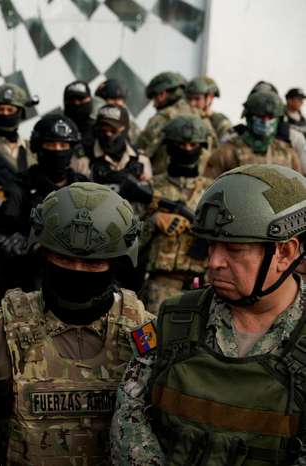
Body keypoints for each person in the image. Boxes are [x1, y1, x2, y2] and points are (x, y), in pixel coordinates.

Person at [112, 164, 306, 465]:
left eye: (233, 248)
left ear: (284, 253)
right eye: (211, 245)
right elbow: (130, 414)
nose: (214, 261)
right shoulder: (173, 320)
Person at [0, 182, 153, 465]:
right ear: (44, 254)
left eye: (93, 264)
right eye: (64, 258)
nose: (77, 271)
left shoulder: (143, 333)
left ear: (115, 262)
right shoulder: (1, 330)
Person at [0, 114, 87, 296]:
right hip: (29, 291)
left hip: (80, 286)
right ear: (37, 148)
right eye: (51, 145)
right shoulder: (16, 190)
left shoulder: (86, 189)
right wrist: (41, 245)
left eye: (64, 145)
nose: (57, 151)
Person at [139, 115, 212, 312]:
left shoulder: (214, 190)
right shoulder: (149, 189)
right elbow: (129, 242)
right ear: (169, 147)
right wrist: (153, 221)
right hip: (161, 286)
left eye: (193, 145)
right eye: (180, 144)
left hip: (204, 287)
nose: (187, 150)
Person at [205, 90, 300, 178]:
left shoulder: (287, 152)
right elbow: (207, 187)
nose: (265, 122)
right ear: (249, 118)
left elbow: (300, 189)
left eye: (270, 117)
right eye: (260, 117)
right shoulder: (227, 152)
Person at [137, 71, 214, 158]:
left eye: (155, 98)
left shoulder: (162, 118)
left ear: (162, 94)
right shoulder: (202, 117)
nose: (154, 105)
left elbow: (140, 151)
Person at [89, 104, 152, 185]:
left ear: (125, 129)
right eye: (104, 130)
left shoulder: (141, 160)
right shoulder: (85, 158)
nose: (108, 134)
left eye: (113, 130)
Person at [186, 76, 232, 142]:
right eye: (189, 98)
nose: (192, 103)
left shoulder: (219, 122)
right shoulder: (183, 118)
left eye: (197, 99)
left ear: (210, 98)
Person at [95, 78, 141, 142]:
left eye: (121, 99)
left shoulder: (131, 126)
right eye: (113, 98)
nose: (119, 103)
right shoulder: (94, 120)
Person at [63, 80, 96, 158]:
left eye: (80, 99)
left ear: (89, 99)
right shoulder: (60, 129)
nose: (76, 103)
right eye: (71, 100)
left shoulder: (99, 129)